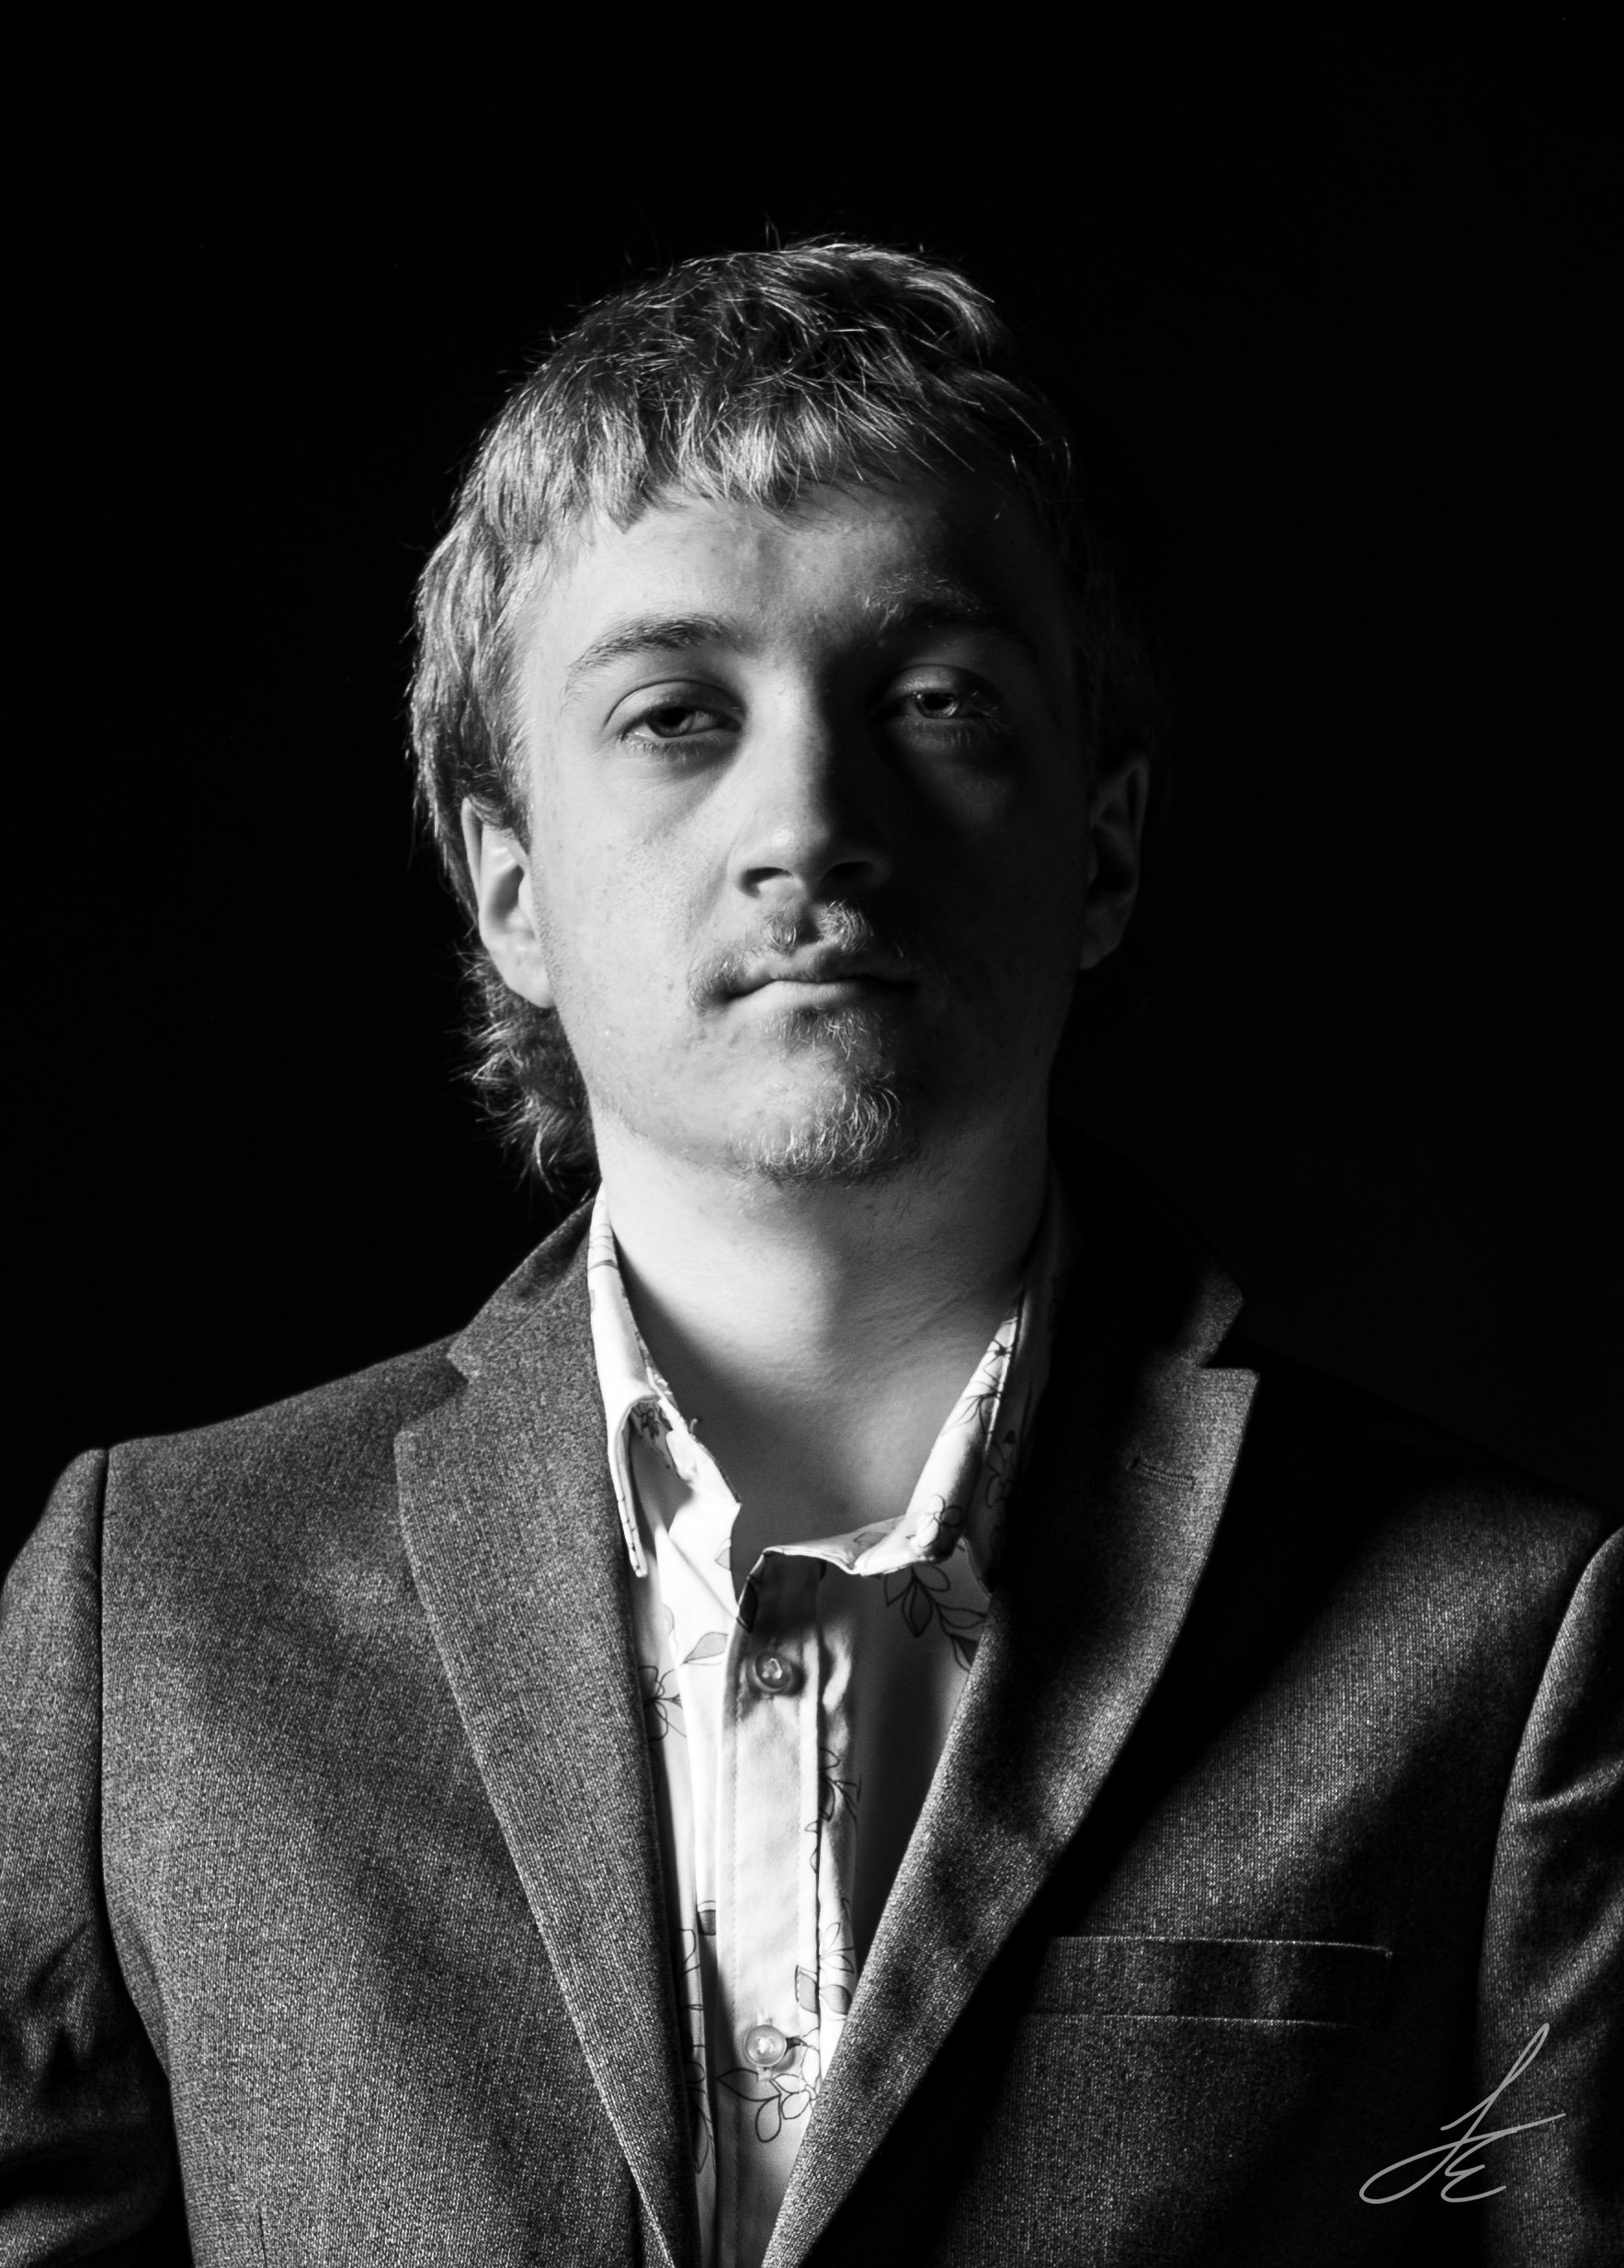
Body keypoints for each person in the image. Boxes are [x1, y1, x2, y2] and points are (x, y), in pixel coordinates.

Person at [2, 242, 1617, 2268]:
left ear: (1102, 843)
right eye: (676, 715)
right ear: (507, 884)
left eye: (933, 700)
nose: (811, 823)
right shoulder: (153, 1617)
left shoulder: (1505, 1637)